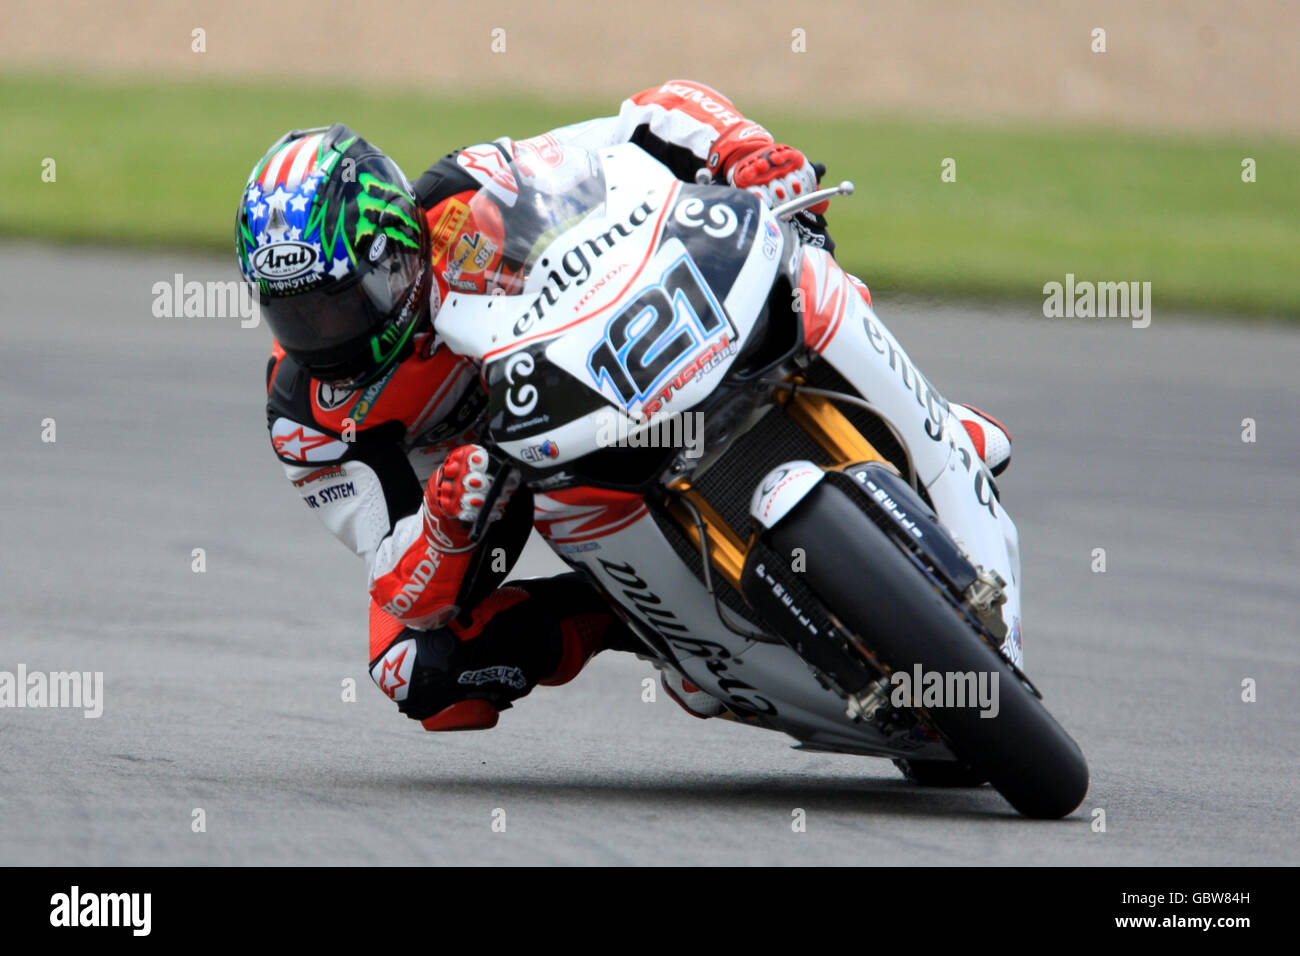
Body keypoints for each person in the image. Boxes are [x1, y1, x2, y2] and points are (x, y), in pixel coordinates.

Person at [235, 80, 1013, 731]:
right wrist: (444, 520)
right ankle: (632, 621)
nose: (328, 333)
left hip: (592, 364)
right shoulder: (309, 419)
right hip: (489, 487)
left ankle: (913, 425)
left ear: (396, 243)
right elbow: (397, 581)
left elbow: (648, 116)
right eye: (298, 315)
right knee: (415, 673)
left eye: (345, 300)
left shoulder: (467, 193)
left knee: (796, 251)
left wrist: (744, 151)